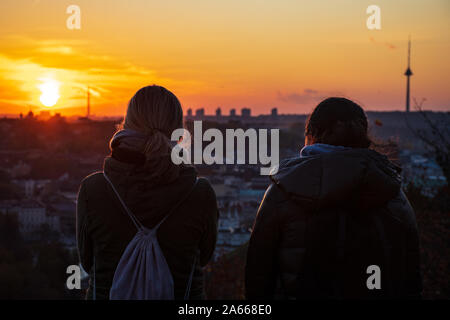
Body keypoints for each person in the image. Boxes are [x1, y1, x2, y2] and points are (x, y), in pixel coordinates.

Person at [245, 97, 422, 299]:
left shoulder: (284, 191)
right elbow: (411, 278)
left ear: (312, 135)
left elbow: (258, 275)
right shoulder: (392, 193)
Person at [77, 85, 218, 300]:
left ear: (127, 124)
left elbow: (87, 261)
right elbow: (204, 257)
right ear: (179, 130)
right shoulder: (200, 194)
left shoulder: (93, 190)